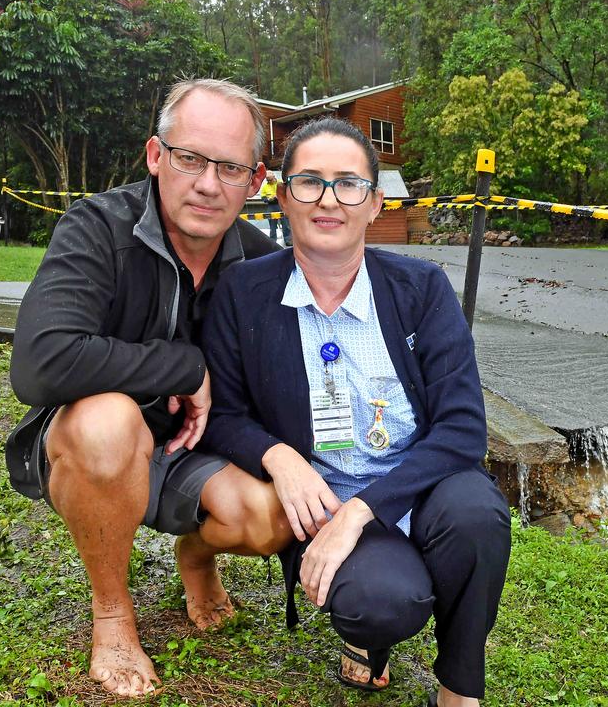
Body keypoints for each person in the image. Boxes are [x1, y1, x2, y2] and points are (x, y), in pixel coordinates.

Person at [200, 117, 510, 707]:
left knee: (477, 518)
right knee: (380, 603)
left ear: (375, 203)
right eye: (310, 182)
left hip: (424, 488)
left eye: (349, 184)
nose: (329, 200)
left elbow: (464, 427)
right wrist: (279, 457)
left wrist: (363, 512)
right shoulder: (244, 293)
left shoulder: (421, 288)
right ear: (283, 196)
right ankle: (368, 636)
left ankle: (459, 689)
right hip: (326, 498)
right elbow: (224, 413)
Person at [4, 78, 293, 698]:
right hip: (97, 448)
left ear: (257, 179)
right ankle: (112, 611)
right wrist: (183, 367)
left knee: (272, 515)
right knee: (108, 424)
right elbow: (38, 363)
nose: (208, 183)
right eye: (190, 158)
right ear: (156, 156)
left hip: (193, 449)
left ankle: (197, 553)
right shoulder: (97, 228)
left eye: (230, 167)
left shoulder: (262, 262)